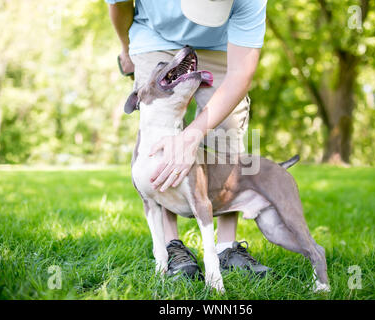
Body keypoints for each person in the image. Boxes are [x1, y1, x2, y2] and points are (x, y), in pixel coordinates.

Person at [107, 0, 270, 279]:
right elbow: (119, 5)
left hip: (223, 45)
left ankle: (227, 246)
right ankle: (173, 246)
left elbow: (241, 74)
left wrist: (192, 136)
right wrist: (126, 48)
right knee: (159, 136)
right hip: (155, 37)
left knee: (227, 132)